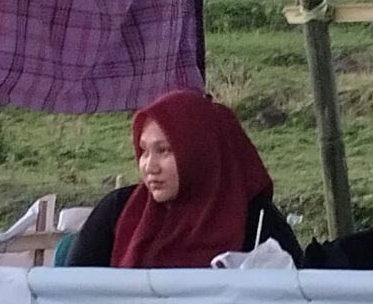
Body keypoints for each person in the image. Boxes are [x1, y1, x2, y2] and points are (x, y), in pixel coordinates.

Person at [65, 89, 302, 268]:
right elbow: (70, 296)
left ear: (201, 152)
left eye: (165, 150)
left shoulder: (257, 223)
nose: (150, 166)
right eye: (144, 151)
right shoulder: (118, 211)